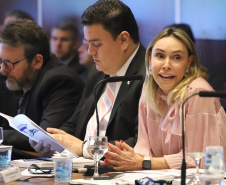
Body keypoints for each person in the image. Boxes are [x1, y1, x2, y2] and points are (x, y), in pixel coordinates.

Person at [29, 0, 146, 157]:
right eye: (87, 43)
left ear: (123, 40)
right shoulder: (97, 72)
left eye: (96, 44)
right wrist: (55, 140)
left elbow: (141, 143)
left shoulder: (150, 76)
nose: (90, 52)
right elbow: (76, 123)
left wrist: (87, 148)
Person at [103, 27, 226, 171]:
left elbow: (197, 158)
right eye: (160, 56)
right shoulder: (150, 90)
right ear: (150, 58)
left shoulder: (198, 93)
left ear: (189, 62)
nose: (166, 65)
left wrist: (143, 163)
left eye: (176, 57)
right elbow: (144, 147)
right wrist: (130, 158)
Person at [0, 20, 84, 154]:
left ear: (37, 61)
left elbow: (43, 137)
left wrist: (1, 135)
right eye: (1, 61)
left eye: (9, 63)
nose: (3, 70)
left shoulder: (60, 81)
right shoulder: (14, 78)